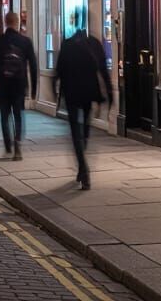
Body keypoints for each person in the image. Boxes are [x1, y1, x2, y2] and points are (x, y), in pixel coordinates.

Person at [54, 10, 113, 190]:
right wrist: (110, 95)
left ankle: (83, 169)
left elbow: (58, 71)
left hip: (72, 93)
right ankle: (82, 168)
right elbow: (103, 71)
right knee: (85, 131)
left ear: (74, 22)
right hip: (88, 93)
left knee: (75, 134)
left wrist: (55, 92)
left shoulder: (67, 44)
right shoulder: (94, 44)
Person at [0, 12, 38, 160]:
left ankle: (8, 146)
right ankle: (18, 144)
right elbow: (33, 65)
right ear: (17, 22)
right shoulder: (25, 41)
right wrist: (34, 89)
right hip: (19, 83)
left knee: (4, 115)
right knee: (18, 115)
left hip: (3, 83)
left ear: (5, 22)